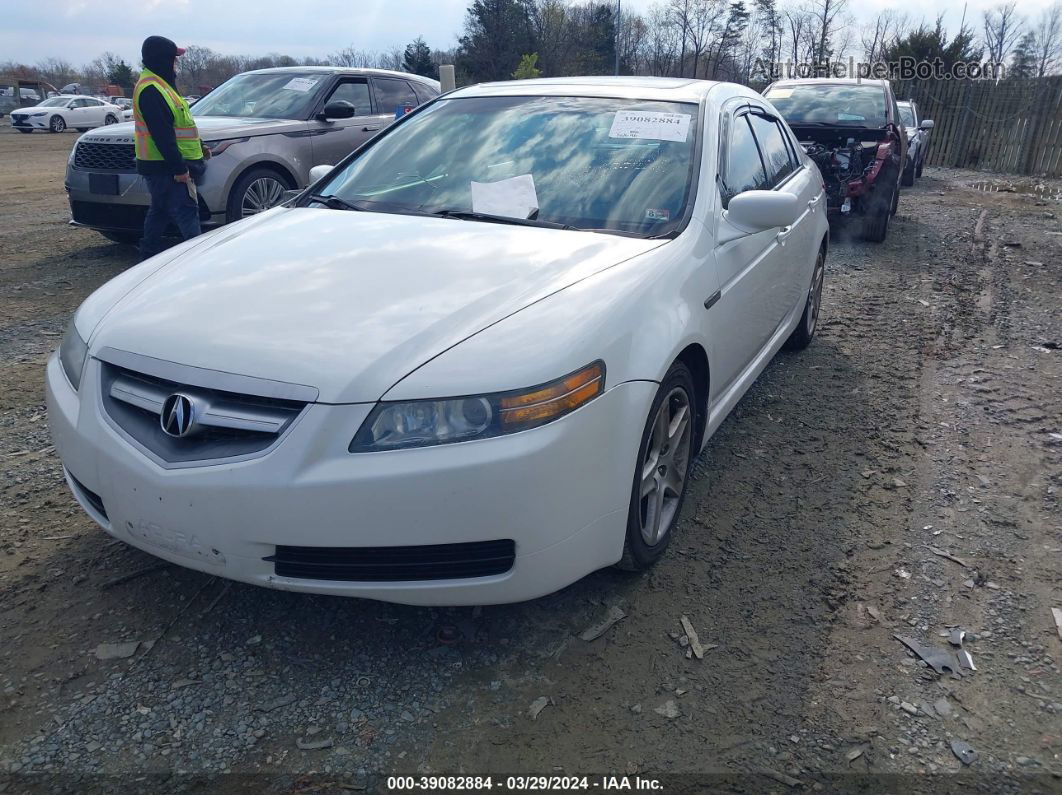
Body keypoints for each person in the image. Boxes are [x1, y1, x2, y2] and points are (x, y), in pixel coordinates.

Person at [133, 36, 211, 260]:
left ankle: (146, 258)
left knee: (160, 212)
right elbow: (162, 135)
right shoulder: (152, 89)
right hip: (168, 168)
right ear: (163, 60)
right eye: (174, 59)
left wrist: (199, 146)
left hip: (164, 166)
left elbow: (180, 125)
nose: (176, 64)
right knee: (187, 211)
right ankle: (197, 260)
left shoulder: (160, 85)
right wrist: (179, 169)